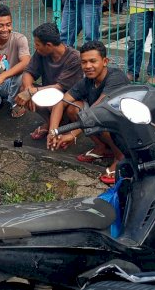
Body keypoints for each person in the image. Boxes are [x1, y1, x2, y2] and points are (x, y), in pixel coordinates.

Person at [46, 41, 130, 184]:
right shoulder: (87, 81)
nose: (88, 66)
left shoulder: (116, 78)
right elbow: (62, 102)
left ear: (105, 61)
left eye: (93, 61)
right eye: (84, 62)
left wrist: (72, 134)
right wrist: (53, 131)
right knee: (73, 108)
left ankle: (120, 157)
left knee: (102, 118)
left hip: (126, 129)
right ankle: (101, 147)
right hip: (102, 123)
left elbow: (97, 110)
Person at [14, 22, 82, 139]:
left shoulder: (74, 58)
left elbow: (59, 87)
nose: (35, 47)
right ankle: (50, 122)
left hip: (69, 99)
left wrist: (31, 92)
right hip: (51, 95)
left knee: (73, 109)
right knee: (23, 88)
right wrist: (28, 89)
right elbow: (28, 73)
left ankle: (69, 128)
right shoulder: (41, 52)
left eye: (37, 44)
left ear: (49, 45)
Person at [0, 4, 31, 111]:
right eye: (0, 25)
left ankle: (15, 104)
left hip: (12, 81)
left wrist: (2, 77)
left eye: (8, 25)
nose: (5, 29)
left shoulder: (19, 39)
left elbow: (26, 62)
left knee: (22, 76)